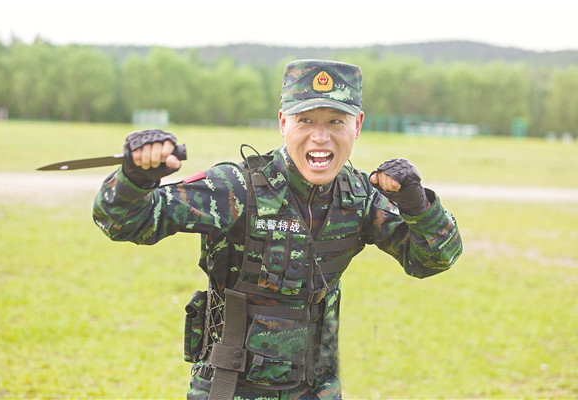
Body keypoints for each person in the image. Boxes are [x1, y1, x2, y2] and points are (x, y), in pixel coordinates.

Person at [93, 59, 462, 400]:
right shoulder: (237, 188)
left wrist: (418, 205)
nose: (320, 137)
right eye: (306, 121)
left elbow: (432, 259)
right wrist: (135, 177)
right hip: (230, 388)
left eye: (335, 121)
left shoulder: (360, 197)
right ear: (283, 122)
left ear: (357, 125)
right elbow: (123, 221)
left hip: (319, 390)